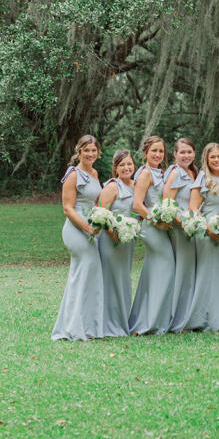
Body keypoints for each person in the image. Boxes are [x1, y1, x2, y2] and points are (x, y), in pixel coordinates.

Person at [52, 135, 104, 341]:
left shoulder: (94, 173)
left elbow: (97, 201)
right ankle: (73, 329)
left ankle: (87, 325)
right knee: (81, 275)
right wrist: (88, 229)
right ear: (79, 151)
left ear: (97, 153)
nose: (90, 154)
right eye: (86, 150)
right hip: (77, 229)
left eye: (93, 150)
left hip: (92, 227)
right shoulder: (73, 174)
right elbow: (67, 208)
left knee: (89, 275)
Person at [128, 136, 175, 335]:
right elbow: (137, 204)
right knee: (167, 265)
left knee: (153, 271)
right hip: (150, 226)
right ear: (145, 152)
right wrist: (158, 220)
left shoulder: (160, 172)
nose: (157, 155)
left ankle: (147, 319)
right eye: (154, 151)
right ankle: (151, 322)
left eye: (161, 151)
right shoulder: (146, 173)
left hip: (160, 225)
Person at [185, 143, 219, 332]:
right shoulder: (203, 179)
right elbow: (193, 210)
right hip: (208, 230)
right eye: (213, 157)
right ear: (206, 159)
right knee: (207, 273)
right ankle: (202, 319)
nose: (217, 160)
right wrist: (208, 229)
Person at [98, 149, 136, 338]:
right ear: (115, 168)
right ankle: (108, 325)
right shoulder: (113, 186)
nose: (126, 167)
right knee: (111, 280)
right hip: (111, 240)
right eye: (122, 165)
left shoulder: (136, 186)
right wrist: (113, 233)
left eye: (129, 164)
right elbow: (101, 214)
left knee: (124, 280)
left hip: (128, 241)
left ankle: (122, 322)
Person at [163, 137, 198, 332]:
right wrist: (182, 224)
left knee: (188, 270)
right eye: (182, 152)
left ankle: (187, 314)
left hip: (190, 228)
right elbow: (168, 203)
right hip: (180, 228)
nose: (186, 155)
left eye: (189, 152)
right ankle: (176, 319)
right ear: (175, 154)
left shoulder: (191, 172)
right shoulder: (176, 172)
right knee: (181, 270)